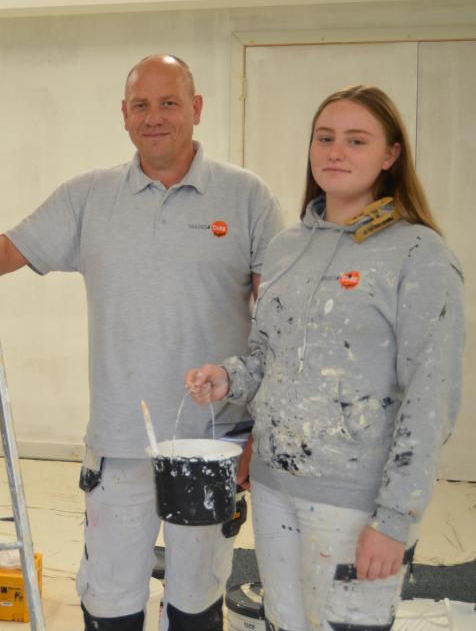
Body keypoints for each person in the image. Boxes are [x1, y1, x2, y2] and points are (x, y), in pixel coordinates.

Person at [0, 55, 283, 631]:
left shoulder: (246, 197)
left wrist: (261, 432)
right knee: (109, 599)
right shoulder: (90, 196)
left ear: (197, 109)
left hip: (214, 443)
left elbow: (275, 325)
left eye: (168, 103)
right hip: (120, 440)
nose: (153, 117)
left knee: (197, 596)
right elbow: (9, 248)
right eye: (141, 105)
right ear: (124, 116)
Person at [185, 85, 464, 630]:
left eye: (356, 141)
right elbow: (268, 352)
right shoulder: (288, 246)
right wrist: (228, 377)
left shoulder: (419, 254)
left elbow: (432, 398)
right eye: (326, 138)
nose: (336, 152)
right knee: (282, 621)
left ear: (390, 155)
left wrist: (395, 519)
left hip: (356, 501)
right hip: (273, 488)